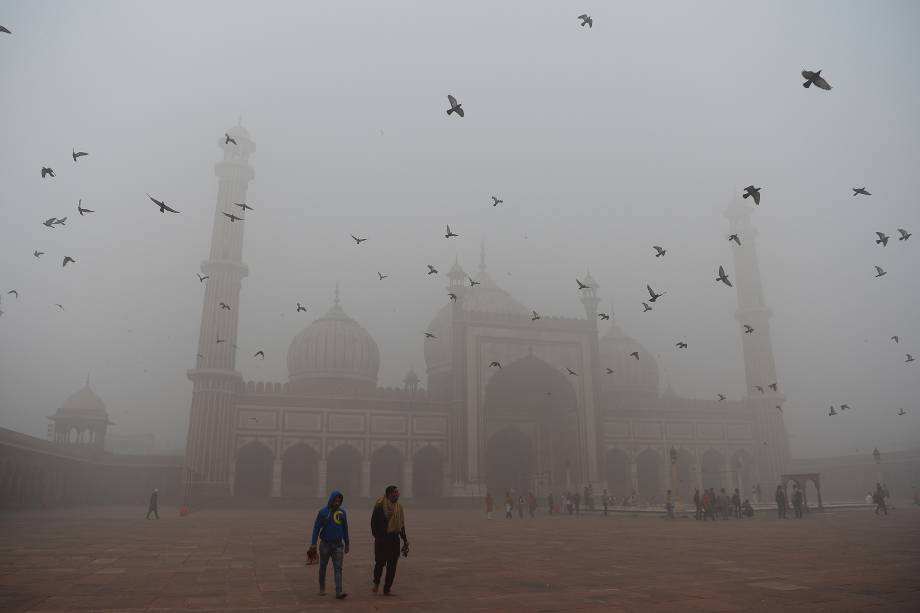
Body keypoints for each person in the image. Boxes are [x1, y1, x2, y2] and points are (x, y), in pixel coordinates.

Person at [309, 490, 350, 599]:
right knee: (323, 567)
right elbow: (316, 528)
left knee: (338, 568)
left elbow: (345, 529)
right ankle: (322, 588)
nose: (337, 502)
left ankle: (338, 591)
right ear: (331, 500)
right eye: (335, 500)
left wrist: (347, 543)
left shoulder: (342, 513)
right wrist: (313, 543)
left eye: (339, 501)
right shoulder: (323, 512)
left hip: (338, 545)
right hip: (325, 544)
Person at [371, 485, 409, 596]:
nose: (398, 494)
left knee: (392, 566)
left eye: (398, 492)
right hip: (382, 540)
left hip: (394, 539)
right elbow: (373, 523)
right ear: (389, 494)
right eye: (395, 492)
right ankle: (376, 582)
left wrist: (405, 540)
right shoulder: (380, 506)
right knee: (379, 563)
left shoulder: (399, 507)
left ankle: (387, 588)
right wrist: (378, 537)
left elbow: (401, 525)